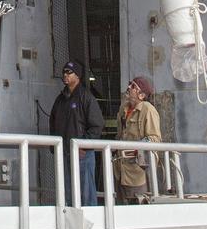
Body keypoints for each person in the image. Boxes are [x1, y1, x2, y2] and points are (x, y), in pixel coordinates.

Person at [49, 60, 104, 207]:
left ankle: (90, 221)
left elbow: (97, 125)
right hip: (65, 153)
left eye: (69, 72)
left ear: (77, 75)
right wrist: (54, 147)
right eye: (64, 72)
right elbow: (53, 122)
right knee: (68, 193)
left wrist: (83, 146)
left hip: (82, 155)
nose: (65, 74)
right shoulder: (60, 99)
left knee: (86, 194)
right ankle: (70, 221)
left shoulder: (86, 97)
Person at [114, 76, 161, 203]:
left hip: (137, 172)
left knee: (138, 207)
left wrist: (138, 147)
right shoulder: (123, 108)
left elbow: (155, 138)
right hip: (120, 169)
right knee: (120, 207)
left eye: (133, 86)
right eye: (130, 84)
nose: (129, 87)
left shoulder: (148, 110)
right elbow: (120, 135)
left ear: (141, 95)